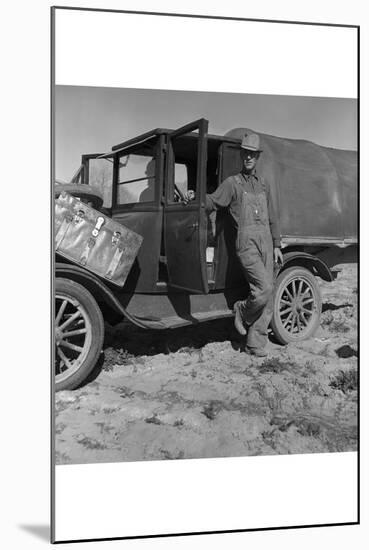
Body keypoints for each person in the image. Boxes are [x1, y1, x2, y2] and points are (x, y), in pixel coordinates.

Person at [184, 133, 283, 357]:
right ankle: (241, 309)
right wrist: (197, 197)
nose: (248, 157)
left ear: (257, 157)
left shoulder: (263, 185)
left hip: (267, 242)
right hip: (246, 243)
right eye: (245, 153)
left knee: (268, 297)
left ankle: (255, 343)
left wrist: (276, 244)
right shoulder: (232, 183)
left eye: (252, 154)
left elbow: (273, 217)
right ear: (241, 155)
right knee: (263, 288)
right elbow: (213, 201)